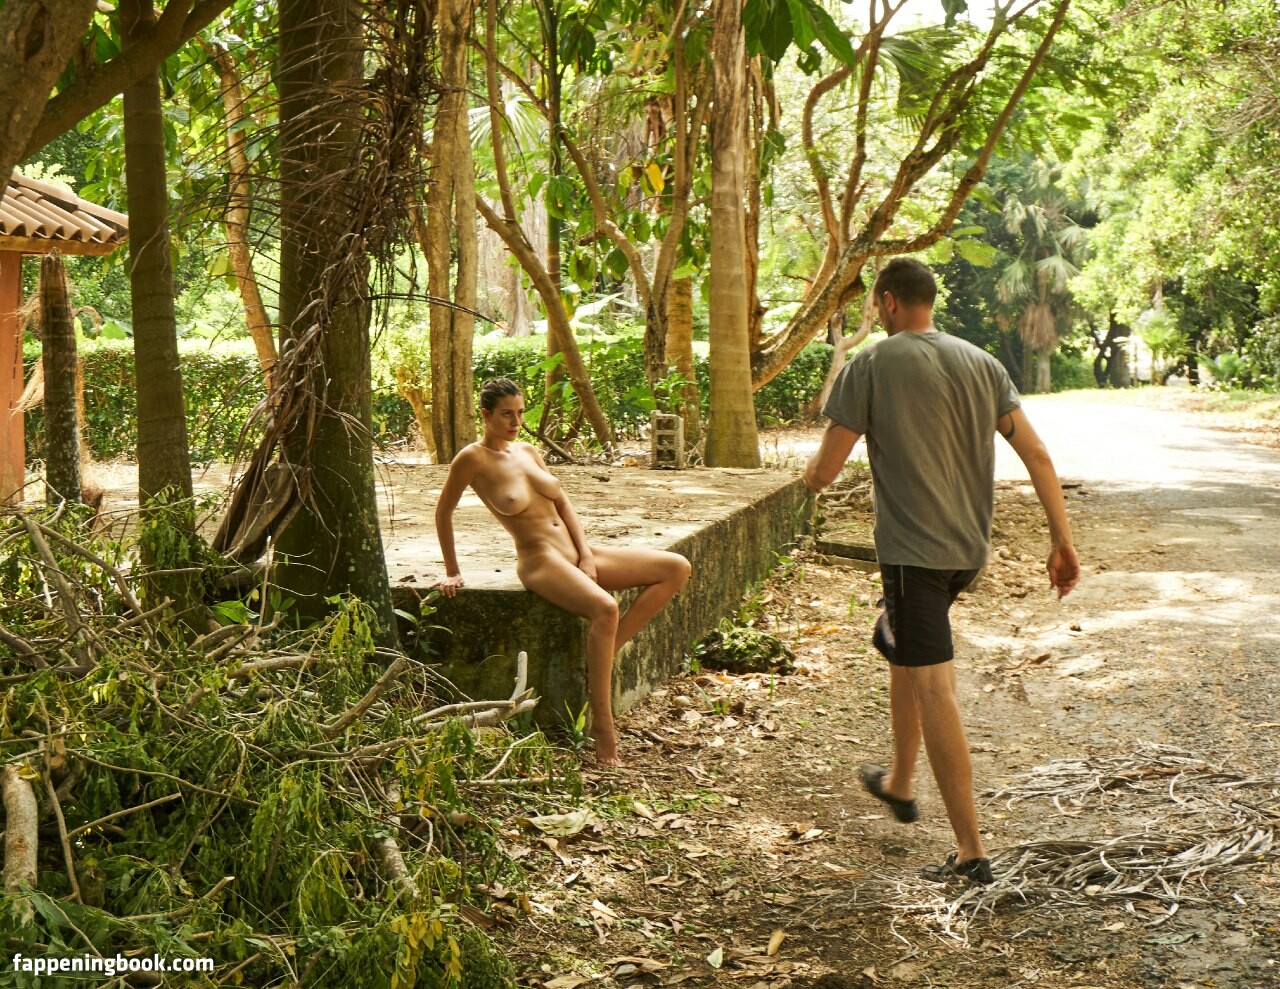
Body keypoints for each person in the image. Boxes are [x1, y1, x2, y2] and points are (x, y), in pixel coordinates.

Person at [803, 258, 1079, 884]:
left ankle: (971, 852)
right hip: (965, 554)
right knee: (899, 640)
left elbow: (825, 471)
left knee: (935, 688)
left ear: (888, 302)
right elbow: (1036, 453)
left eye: (876, 305)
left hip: (914, 558)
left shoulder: (872, 363)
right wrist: (1061, 542)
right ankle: (901, 781)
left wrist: (808, 478)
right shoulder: (983, 363)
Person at [434, 378, 692, 766]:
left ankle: (604, 655)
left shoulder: (527, 451)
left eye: (520, 413)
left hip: (576, 553)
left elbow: (563, 503)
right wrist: (452, 570)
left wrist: (586, 555)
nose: (516, 422)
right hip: (540, 561)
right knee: (605, 608)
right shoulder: (472, 459)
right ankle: (603, 728)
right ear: (486, 415)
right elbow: (443, 512)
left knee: (675, 567)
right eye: (506, 415)